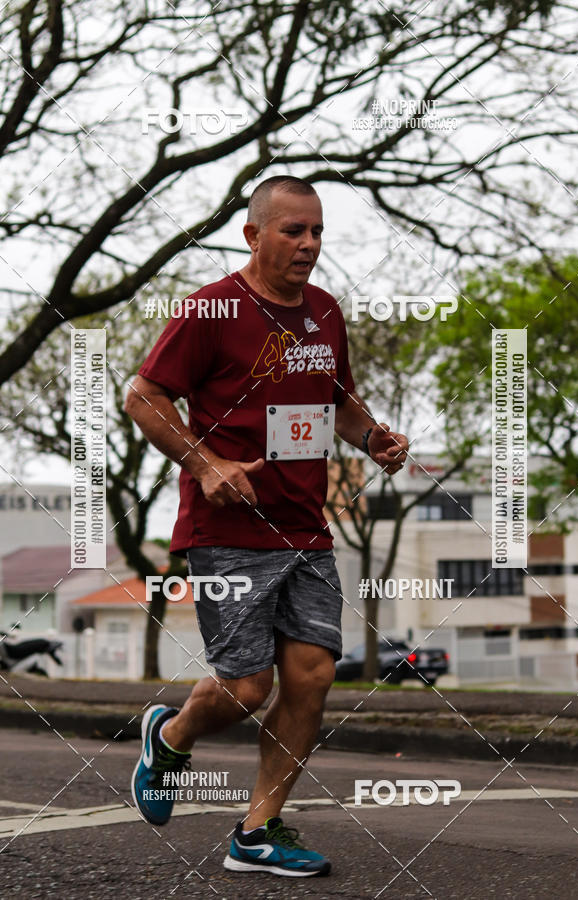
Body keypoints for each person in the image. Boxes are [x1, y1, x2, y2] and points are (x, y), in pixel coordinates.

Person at [125, 175, 408, 878]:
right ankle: (173, 735)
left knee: (311, 677)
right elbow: (143, 394)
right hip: (228, 529)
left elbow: (337, 398)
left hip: (304, 528)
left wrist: (372, 436)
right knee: (246, 689)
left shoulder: (325, 312)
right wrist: (206, 461)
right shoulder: (212, 310)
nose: (309, 244)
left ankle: (257, 830)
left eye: (316, 231)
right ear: (254, 235)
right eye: (293, 231)